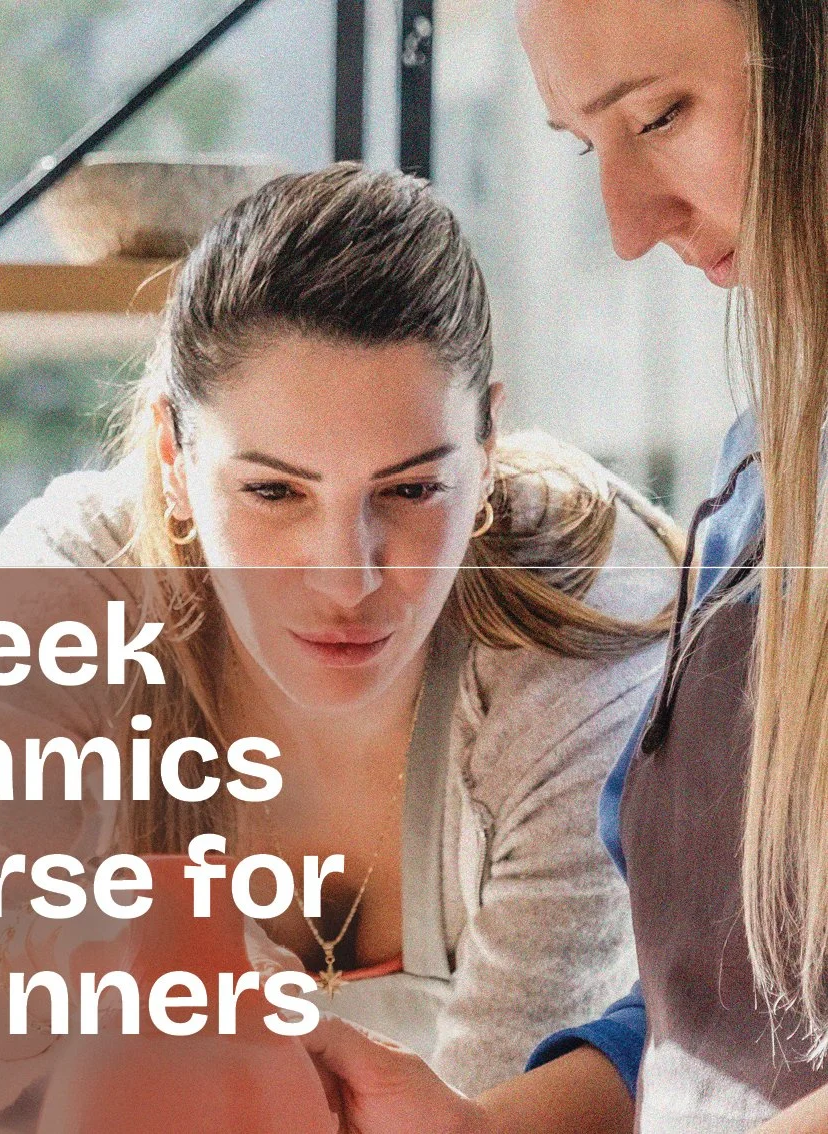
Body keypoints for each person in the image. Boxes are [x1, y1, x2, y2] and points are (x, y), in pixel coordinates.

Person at [0, 165, 679, 1125]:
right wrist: (70, 950)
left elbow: (494, 1102)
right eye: (274, 492)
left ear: (484, 447)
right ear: (173, 457)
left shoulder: (576, 616)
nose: (345, 578)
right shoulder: (77, 588)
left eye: (411, 491)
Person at [304, 2, 828, 1132]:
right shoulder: (763, 483)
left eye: (662, 114)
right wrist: (480, 1128)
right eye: (590, 148)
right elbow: (721, 1017)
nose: (627, 225)